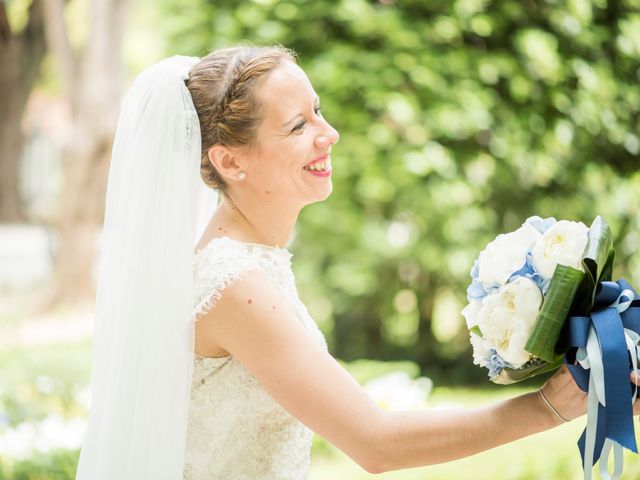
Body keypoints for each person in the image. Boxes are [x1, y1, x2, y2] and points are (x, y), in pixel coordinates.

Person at [75, 45, 640, 480]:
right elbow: (376, 442)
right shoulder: (236, 286)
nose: (330, 134)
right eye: (298, 127)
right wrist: (546, 407)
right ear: (229, 161)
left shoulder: (245, 262)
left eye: (317, 112)